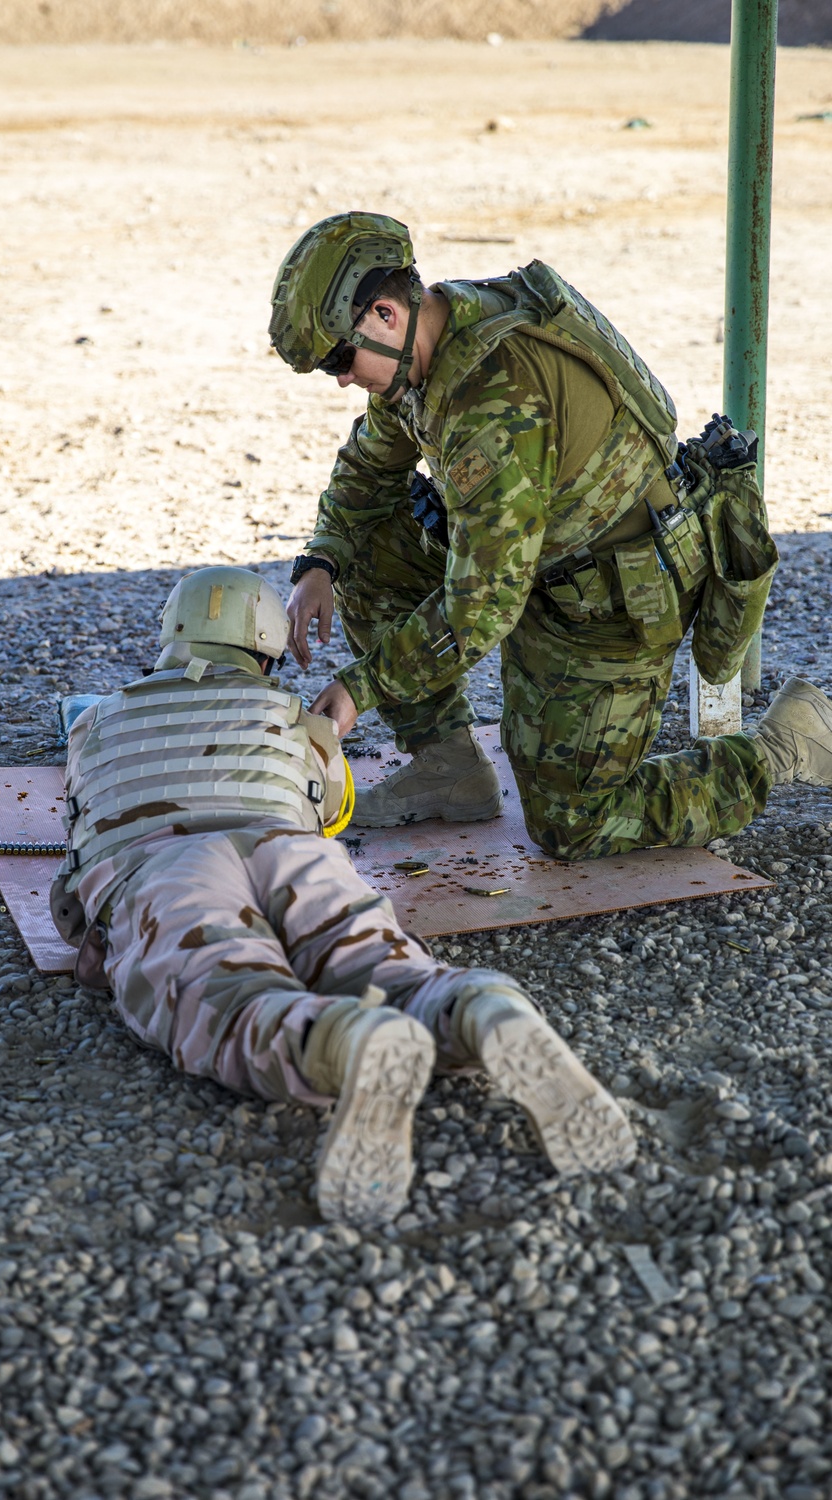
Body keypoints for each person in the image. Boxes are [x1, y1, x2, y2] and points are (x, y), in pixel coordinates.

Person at [50, 566, 636, 1228]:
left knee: (225, 997)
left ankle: (345, 1041)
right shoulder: (290, 716)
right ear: (266, 650)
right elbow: (330, 812)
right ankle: (477, 1007)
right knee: (378, 962)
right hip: (295, 853)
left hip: (166, 872)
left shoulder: (94, 723)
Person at [269, 211, 832, 859]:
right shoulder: (429, 344)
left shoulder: (493, 402)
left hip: (610, 601)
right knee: (366, 547)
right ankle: (450, 770)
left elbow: (480, 609)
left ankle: (782, 745)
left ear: (386, 315)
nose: (341, 377)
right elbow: (369, 467)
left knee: (573, 823)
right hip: (535, 565)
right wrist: (320, 563)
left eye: (342, 357)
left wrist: (359, 688)